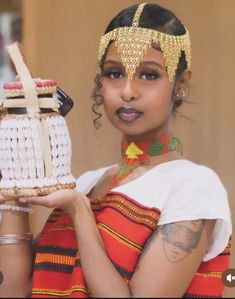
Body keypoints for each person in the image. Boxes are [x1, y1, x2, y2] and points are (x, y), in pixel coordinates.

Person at [0, 2, 232, 298]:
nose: (127, 91)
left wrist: (80, 211)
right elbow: (14, 291)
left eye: (149, 75)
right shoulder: (85, 184)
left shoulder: (194, 187)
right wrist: (14, 197)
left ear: (180, 85)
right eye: (114, 73)